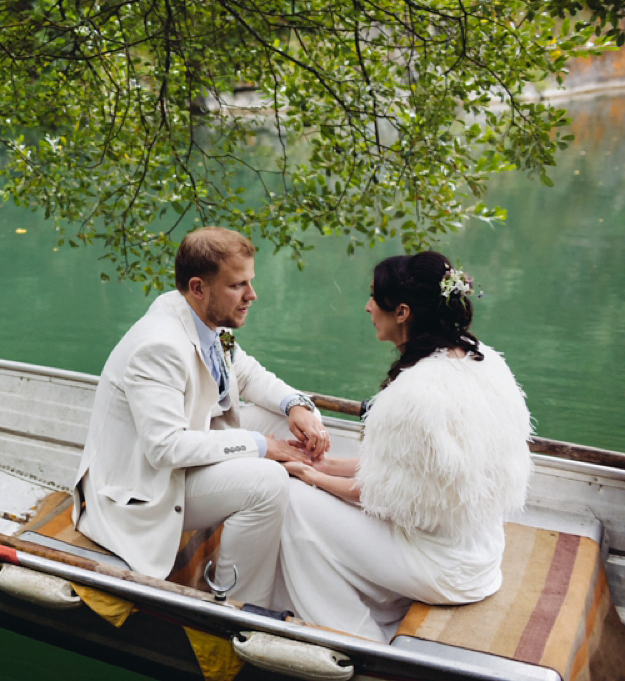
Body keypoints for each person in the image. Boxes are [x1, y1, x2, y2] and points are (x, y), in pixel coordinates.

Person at [275, 251, 534, 642]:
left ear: (401, 312)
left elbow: (377, 494)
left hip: (443, 568)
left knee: (292, 498)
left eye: (373, 298)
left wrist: (307, 474)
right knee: (310, 487)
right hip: (481, 555)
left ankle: (352, 637)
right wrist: (326, 465)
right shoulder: (484, 361)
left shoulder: (415, 392)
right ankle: (374, 608)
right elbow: (402, 472)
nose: (366, 307)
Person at [72, 227, 329, 607]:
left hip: (181, 459)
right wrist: (261, 447)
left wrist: (296, 405)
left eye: (250, 282)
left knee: (281, 426)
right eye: (238, 285)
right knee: (268, 480)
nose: (251, 296)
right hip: (142, 488)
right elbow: (165, 449)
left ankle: (290, 566)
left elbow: (246, 373)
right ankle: (237, 604)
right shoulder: (159, 345)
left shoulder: (202, 318)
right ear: (198, 287)